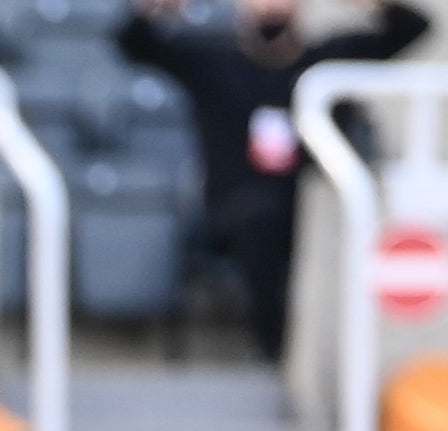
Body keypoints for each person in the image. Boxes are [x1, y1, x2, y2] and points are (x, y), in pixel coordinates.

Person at [115, 0, 428, 366]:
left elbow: (411, 28)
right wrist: (157, 8)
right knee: (261, 219)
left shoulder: (325, 62)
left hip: (314, 208)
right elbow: (134, 42)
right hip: (238, 208)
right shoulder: (214, 61)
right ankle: (279, 352)